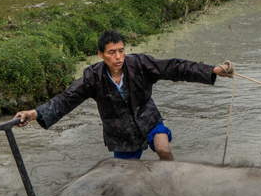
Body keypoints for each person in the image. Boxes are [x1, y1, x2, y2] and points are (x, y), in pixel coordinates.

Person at [13, 29, 233, 161]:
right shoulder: (92, 78)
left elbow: (175, 67)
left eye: (121, 50)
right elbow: (66, 99)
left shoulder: (139, 64)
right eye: (112, 52)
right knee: (126, 177)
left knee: (163, 148)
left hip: (148, 118)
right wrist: (34, 113)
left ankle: (173, 180)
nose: (118, 57)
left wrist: (212, 70)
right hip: (120, 133)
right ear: (101, 54)